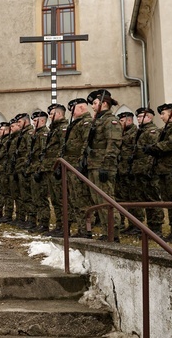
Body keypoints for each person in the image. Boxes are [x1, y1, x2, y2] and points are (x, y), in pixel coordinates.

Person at [144, 102, 172, 242]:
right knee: (169, 202)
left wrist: (154, 147)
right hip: (163, 169)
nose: (161, 116)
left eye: (163, 113)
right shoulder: (165, 129)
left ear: (171, 113)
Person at [85, 89, 122, 242]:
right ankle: (107, 231)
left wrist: (106, 165)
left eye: (95, 103)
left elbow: (113, 144)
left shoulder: (110, 121)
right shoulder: (99, 120)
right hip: (94, 164)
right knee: (98, 199)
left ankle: (113, 232)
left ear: (104, 104)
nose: (92, 106)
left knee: (107, 199)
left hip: (103, 165)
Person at [128, 107, 164, 236]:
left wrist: (149, 168)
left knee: (152, 199)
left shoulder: (152, 131)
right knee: (143, 199)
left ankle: (157, 228)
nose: (138, 119)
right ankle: (149, 227)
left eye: (141, 116)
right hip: (139, 169)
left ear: (150, 117)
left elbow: (152, 152)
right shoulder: (140, 131)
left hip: (148, 170)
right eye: (137, 117)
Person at [61, 97, 93, 239]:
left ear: (81, 108)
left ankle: (86, 230)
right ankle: (81, 228)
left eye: (72, 109)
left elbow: (86, 144)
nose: (71, 113)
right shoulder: (76, 123)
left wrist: (81, 163)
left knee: (82, 199)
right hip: (71, 165)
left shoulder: (86, 123)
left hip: (77, 166)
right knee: (74, 198)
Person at [41, 103, 68, 236]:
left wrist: (59, 167)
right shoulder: (53, 129)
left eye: (51, 114)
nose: (50, 117)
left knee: (61, 199)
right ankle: (59, 225)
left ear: (58, 114)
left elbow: (63, 148)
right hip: (50, 168)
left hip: (57, 168)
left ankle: (64, 226)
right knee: (55, 199)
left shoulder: (62, 129)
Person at [28, 110, 49, 233]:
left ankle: (44, 222)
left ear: (42, 121)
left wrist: (40, 170)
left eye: (35, 121)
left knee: (41, 198)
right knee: (35, 197)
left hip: (39, 170)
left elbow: (43, 154)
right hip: (34, 168)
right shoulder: (36, 134)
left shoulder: (43, 134)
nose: (33, 123)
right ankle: (39, 221)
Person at [116, 111, 137, 231]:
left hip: (130, 169)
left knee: (133, 198)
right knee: (122, 198)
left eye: (122, 121)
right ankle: (124, 223)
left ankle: (135, 224)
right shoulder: (121, 133)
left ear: (129, 121)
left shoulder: (135, 133)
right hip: (121, 169)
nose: (120, 123)